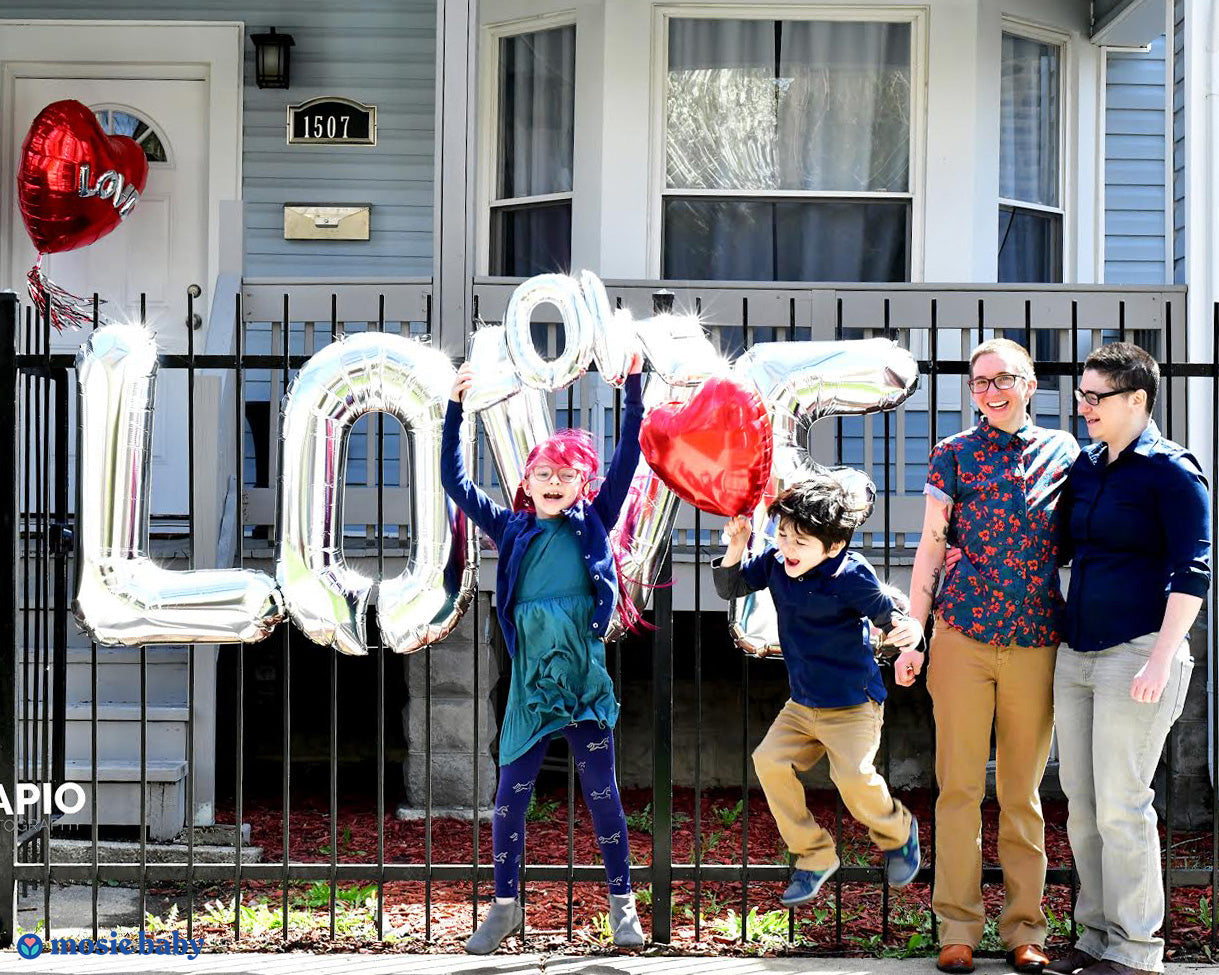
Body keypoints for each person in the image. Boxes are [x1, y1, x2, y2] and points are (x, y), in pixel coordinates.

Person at [441, 355, 646, 954]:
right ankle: (504, 908)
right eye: (543, 473)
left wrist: (633, 388)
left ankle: (623, 906)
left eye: (566, 473)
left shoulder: (595, 523)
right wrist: (456, 412)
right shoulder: (511, 529)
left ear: (582, 485)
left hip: (583, 681)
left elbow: (629, 456)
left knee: (602, 796)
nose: (553, 481)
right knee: (509, 802)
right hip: (531, 686)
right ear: (525, 483)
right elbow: (456, 483)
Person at [908, 338, 1079, 975]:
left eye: (1003, 379)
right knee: (956, 788)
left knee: (1021, 792)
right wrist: (914, 634)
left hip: (1036, 640)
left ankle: (1023, 929)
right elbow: (930, 546)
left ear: (1030, 384)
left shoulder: (1066, 453)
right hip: (962, 637)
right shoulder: (951, 455)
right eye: (979, 383)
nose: (990, 391)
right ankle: (957, 927)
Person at [1046, 342, 1210, 975]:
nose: (1083, 406)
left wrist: (1160, 660)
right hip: (1077, 653)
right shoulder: (1086, 468)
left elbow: (1192, 571)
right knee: (1082, 805)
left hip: (1137, 654)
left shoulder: (1172, 471)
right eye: (1082, 394)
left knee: (1122, 805)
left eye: (1096, 396)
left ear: (1137, 400)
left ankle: (1137, 952)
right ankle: (1093, 939)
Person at [713, 474, 924, 907]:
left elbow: (889, 615)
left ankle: (898, 832)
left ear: (833, 546)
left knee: (852, 777)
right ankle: (813, 854)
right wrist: (737, 544)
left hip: (852, 704)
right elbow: (731, 587)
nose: (787, 548)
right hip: (803, 703)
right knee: (769, 762)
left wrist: (906, 631)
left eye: (800, 541)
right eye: (783, 535)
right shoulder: (775, 563)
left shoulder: (851, 575)